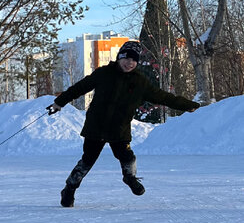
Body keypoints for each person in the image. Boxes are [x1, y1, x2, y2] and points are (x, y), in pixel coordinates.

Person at [48, 39, 199, 207]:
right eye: (127, 58)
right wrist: (59, 103)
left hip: (119, 129)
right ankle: (69, 188)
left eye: (134, 60)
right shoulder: (103, 73)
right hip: (96, 126)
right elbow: (79, 88)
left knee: (127, 157)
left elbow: (164, 97)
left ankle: (130, 177)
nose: (130, 63)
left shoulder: (140, 82)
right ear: (119, 57)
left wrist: (190, 106)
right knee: (87, 161)